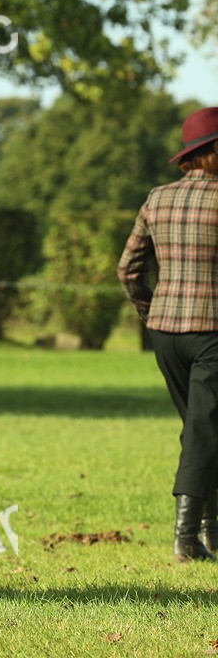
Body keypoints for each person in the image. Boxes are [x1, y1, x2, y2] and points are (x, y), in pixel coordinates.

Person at [118, 106, 218, 562]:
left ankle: (211, 529)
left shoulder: (157, 198)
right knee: (204, 431)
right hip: (212, 332)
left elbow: (127, 270)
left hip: (165, 334)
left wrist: (152, 312)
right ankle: (185, 537)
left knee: (202, 429)